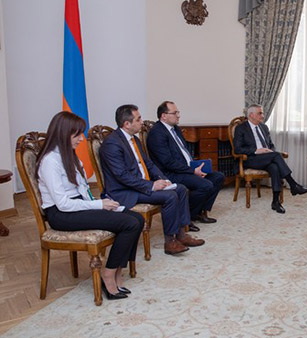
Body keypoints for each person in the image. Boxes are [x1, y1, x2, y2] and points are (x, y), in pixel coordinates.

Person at [36, 111, 144, 300]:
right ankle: (109, 274)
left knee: (137, 218)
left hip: (78, 205)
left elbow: (83, 190)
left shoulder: (70, 156)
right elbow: (63, 204)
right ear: (63, 133)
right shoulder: (49, 161)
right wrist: (98, 205)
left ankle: (118, 270)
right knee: (129, 223)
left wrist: (104, 204)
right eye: (77, 134)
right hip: (61, 214)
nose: (81, 139)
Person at [99, 104, 204, 255]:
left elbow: (148, 164)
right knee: (170, 196)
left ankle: (181, 234)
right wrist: (152, 186)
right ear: (127, 124)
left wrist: (163, 179)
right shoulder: (112, 144)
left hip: (140, 185)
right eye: (138, 119)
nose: (142, 122)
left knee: (180, 189)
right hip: (125, 191)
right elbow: (122, 176)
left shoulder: (134, 140)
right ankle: (170, 241)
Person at [147, 101, 224, 228]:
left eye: (178, 112)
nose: (178, 115)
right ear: (164, 116)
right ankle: (186, 216)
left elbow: (184, 152)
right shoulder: (157, 133)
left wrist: (195, 167)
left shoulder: (175, 129)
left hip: (185, 168)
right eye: (175, 113)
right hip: (170, 173)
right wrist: (192, 171)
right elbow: (167, 162)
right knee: (205, 185)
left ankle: (198, 212)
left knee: (218, 177)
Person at [232, 104, 307, 213]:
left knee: (274, 167)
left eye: (262, 113)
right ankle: (293, 185)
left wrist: (270, 151)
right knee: (276, 155)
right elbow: (237, 149)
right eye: (260, 113)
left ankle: (275, 202)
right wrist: (256, 150)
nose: (263, 116)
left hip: (266, 158)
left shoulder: (264, 127)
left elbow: (271, 145)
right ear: (251, 115)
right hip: (250, 159)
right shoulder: (241, 128)